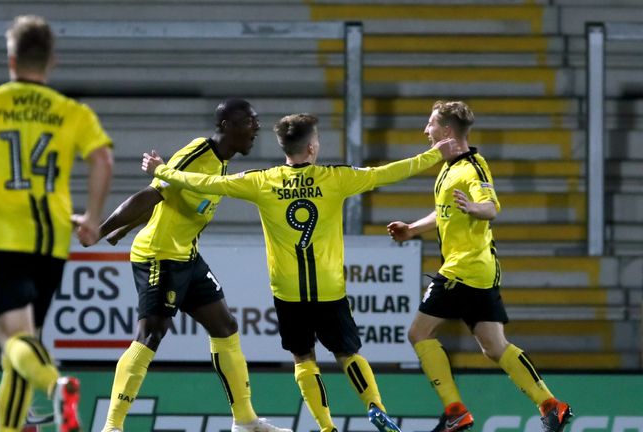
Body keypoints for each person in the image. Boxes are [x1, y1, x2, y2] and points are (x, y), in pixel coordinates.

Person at [142, 113, 454, 432]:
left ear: (285, 148)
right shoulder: (335, 178)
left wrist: (161, 170)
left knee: (303, 358)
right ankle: (375, 405)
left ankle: (326, 427)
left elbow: (207, 182)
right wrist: (433, 154)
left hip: (288, 291)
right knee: (347, 352)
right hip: (328, 287)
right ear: (311, 148)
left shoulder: (262, 181)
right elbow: (388, 173)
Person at [0, 15, 113, 432]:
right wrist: (91, 218)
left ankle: (57, 386)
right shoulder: (72, 111)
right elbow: (103, 160)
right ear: (52, 61)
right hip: (51, 241)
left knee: (14, 338)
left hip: (2, 235)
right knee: (25, 343)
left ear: (11, 59)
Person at [79, 99, 290, 432]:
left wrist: (123, 230)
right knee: (151, 334)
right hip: (160, 255)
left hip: (187, 256)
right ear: (226, 126)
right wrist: (101, 230)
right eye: (248, 121)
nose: (256, 127)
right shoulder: (196, 155)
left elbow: (172, 199)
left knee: (225, 326)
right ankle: (112, 426)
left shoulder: (222, 163)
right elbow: (151, 194)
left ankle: (245, 421)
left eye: (256, 120)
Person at [386, 100, 573, 432]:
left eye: (430, 124)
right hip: (479, 271)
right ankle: (551, 404)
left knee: (418, 333)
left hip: (463, 270)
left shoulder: (472, 167)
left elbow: (490, 208)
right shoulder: (449, 168)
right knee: (494, 347)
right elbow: (445, 213)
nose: (425, 130)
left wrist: (475, 207)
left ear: (446, 131)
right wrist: (413, 229)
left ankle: (455, 410)